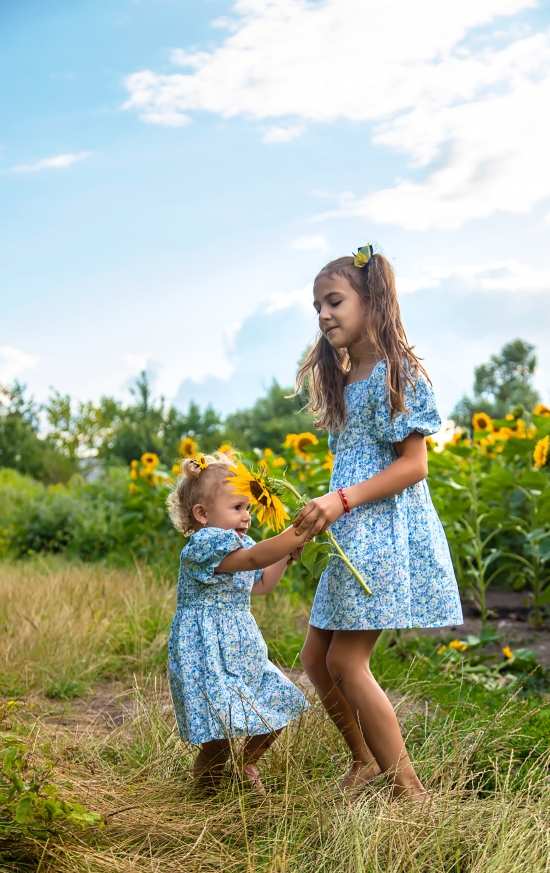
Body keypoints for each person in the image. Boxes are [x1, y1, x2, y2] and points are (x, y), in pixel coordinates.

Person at [293, 245, 463, 800]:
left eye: (334, 300)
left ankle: (409, 790)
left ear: (373, 300)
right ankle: (364, 760)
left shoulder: (398, 372)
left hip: (380, 532)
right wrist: (311, 525)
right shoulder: (345, 377)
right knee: (316, 660)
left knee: (345, 659)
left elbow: (414, 466)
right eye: (317, 304)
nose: (323, 314)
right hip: (348, 533)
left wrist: (340, 502)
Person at [166, 452, 311, 795]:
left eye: (248, 508)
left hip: (242, 653)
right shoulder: (204, 545)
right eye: (238, 508)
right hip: (208, 657)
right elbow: (254, 558)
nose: (247, 516)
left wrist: (287, 556)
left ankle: (247, 763)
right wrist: (297, 531)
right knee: (217, 740)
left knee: (279, 702)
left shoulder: (238, 546)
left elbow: (260, 583)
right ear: (202, 514)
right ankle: (206, 795)